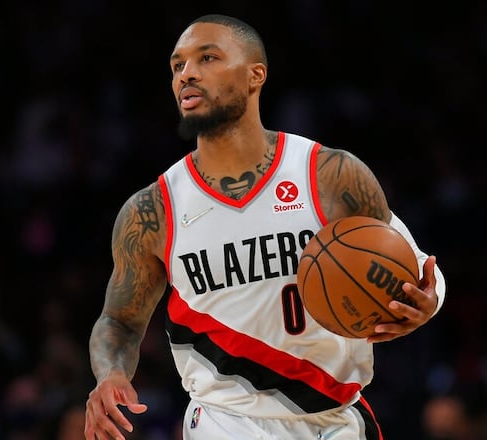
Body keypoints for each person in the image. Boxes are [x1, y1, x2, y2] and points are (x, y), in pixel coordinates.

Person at [84, 14, 446, 440]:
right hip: (223, 420)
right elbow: (119, 320)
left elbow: (415, 265)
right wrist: (109, 375)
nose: (188, 74)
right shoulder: (152, 211)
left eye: (208, 58)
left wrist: (426, 302)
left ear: (256, 74)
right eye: (177, 65)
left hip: (335, 417)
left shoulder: (329, 175)